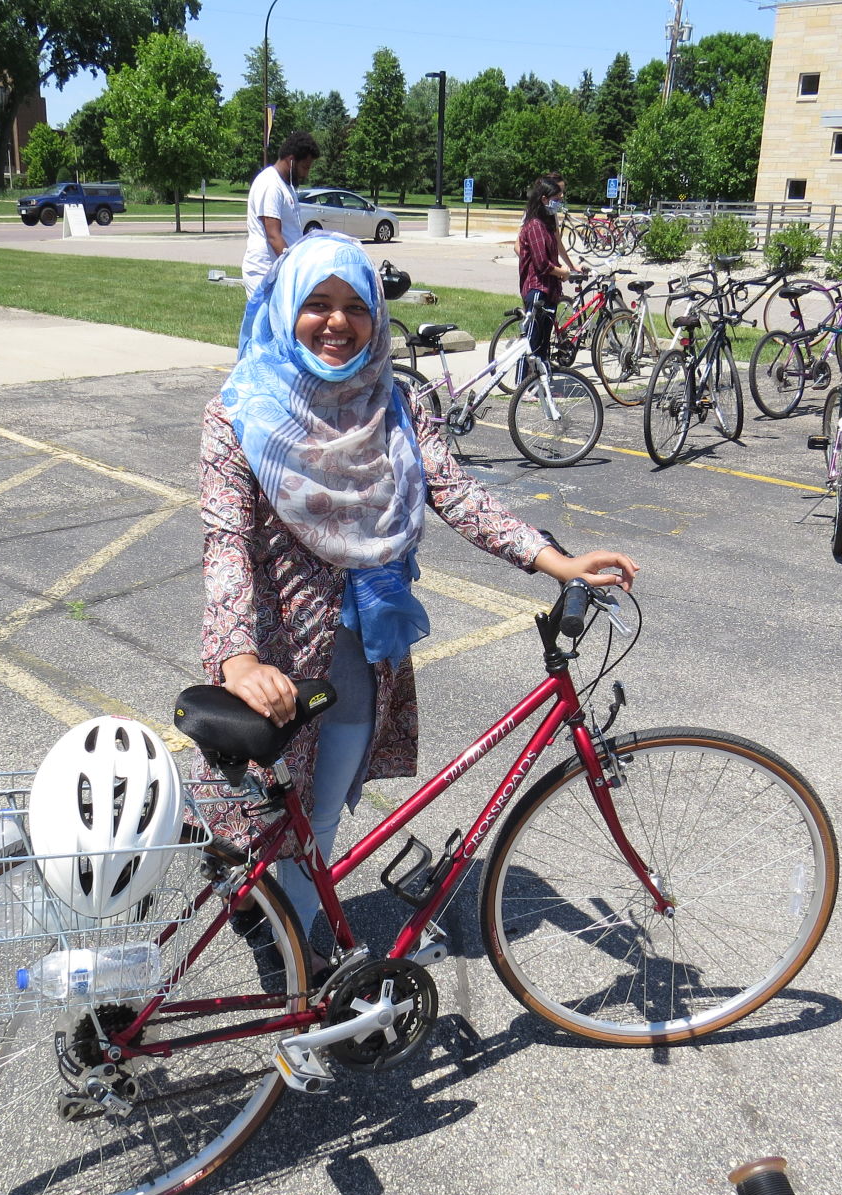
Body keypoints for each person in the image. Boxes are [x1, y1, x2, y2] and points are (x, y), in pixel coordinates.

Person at [199, 231, 637, 959]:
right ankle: (274, 928)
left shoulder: (397, 400)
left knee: (325, 809)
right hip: (276, 654)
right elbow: (226, 542)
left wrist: (551, 558)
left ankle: (299, 961)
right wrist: (237, 657)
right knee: (261, 813)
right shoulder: (239, 410)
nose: (337, 323)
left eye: (354, 307)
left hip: (363, 650)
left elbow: (453, 490)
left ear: (376, 317)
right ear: (283, 309)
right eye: (316, 304)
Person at [242, 132, 320, 297]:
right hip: (265, 272)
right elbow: (273, 235)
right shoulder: (270, 184)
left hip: (280, 270)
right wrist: (294, 269)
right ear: (291, 161)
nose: (306, 174)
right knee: (267, 323)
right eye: (305, 167)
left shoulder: (286, 186)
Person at [517, 177, 583, 366]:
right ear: (544, 199)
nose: (559, 202)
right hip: (537, 290)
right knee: (531, 341)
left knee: (543, 345)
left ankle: (541, 385)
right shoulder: (535, 225)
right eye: (557, 198)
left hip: (550, 290)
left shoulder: (546, 224)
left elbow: (556, 250)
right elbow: (542, 265)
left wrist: (569, 268)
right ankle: (523, 383)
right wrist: (562, 272)